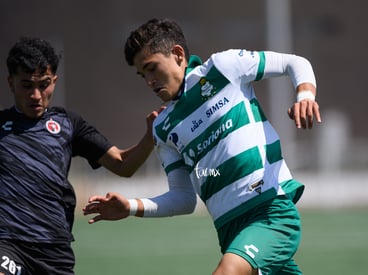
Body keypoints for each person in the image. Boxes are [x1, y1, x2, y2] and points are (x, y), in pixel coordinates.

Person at [83, 18, 321, 275]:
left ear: (177, 54)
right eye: (143, 75)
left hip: (269, 211)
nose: (149, 81)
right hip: (229, 231)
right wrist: (130, 207)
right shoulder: (163, 127)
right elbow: (183, 199)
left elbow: (294, 62)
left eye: (152, 68)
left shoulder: (222, 68)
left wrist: (305, 96)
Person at [0, 37, 161, 275]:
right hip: (7, 242)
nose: (35, 95)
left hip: (54, 249)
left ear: (54, 81)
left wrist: (150, 137)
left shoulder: (68, 124)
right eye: (26, 85)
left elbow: (123, 165)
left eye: (44, 85)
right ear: (10, 83)